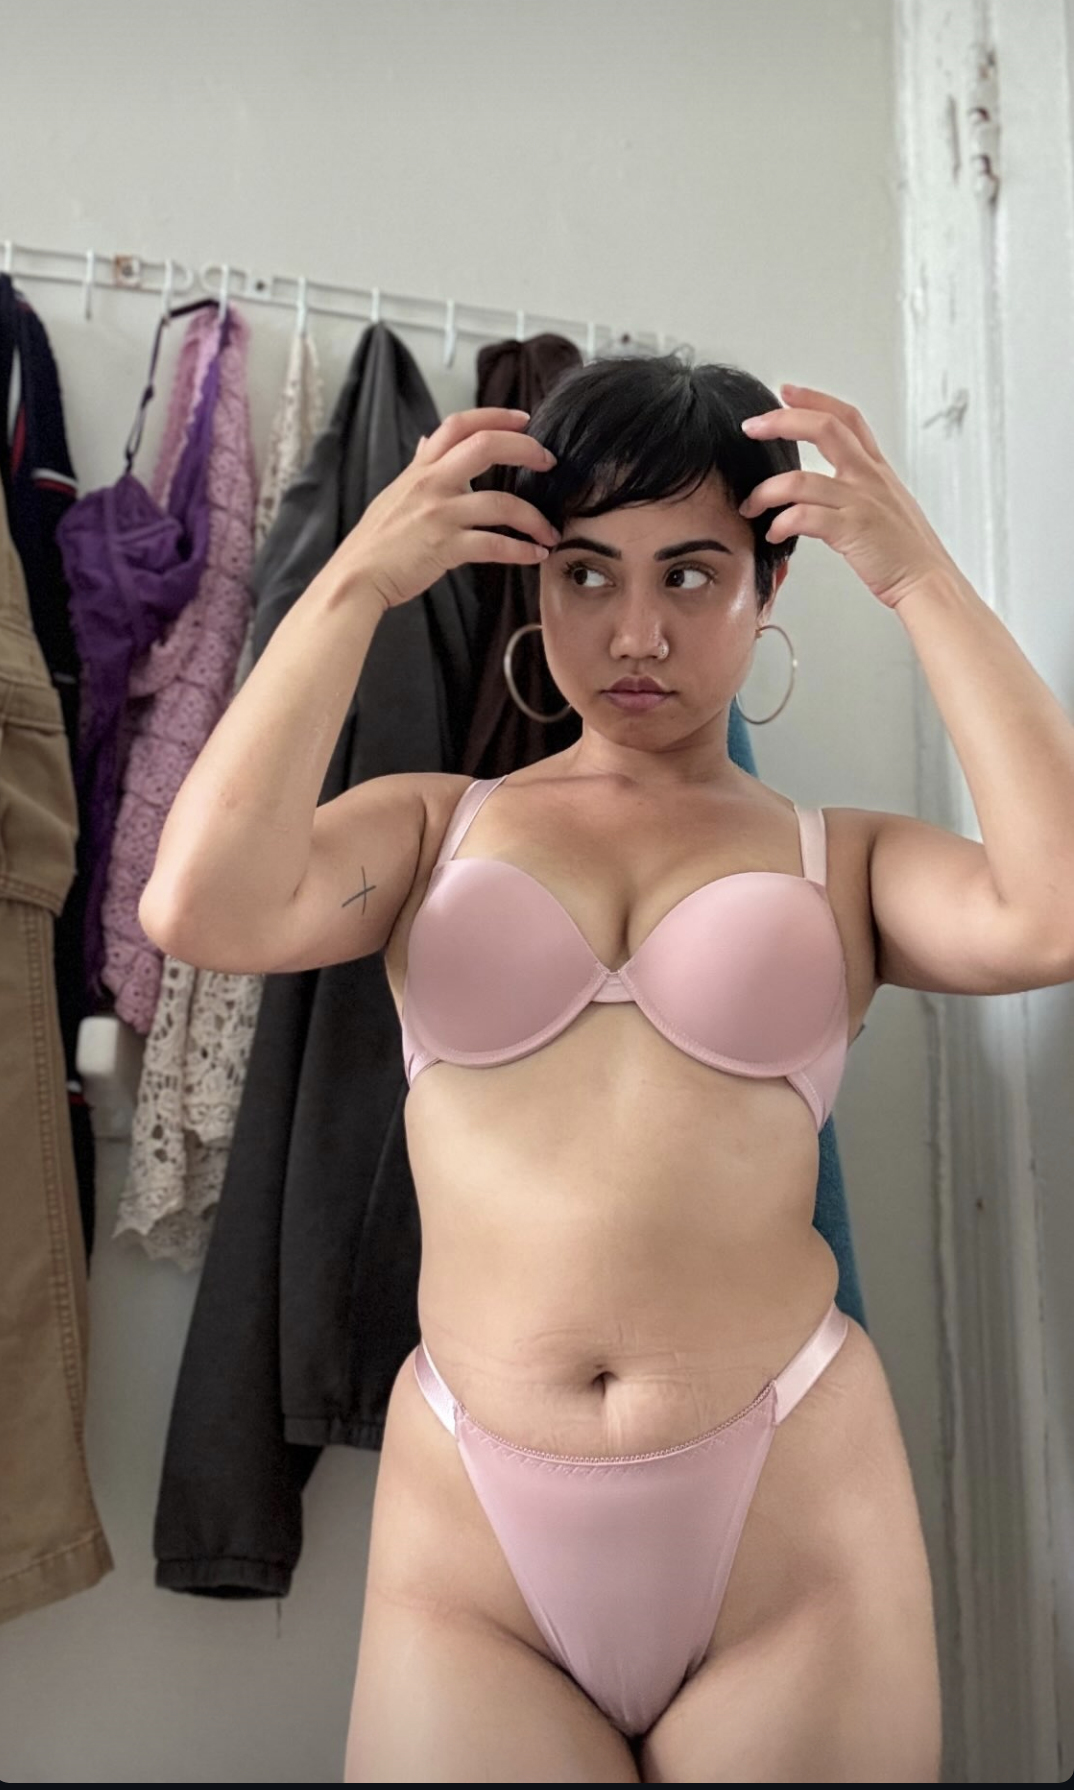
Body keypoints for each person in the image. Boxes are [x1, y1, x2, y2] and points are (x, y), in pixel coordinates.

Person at [141, 356, 1074, 1784]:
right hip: (476, 1537)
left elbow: (1054, 907)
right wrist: (355, 585)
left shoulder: (846, 861)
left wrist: (923, 580)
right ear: (533, 582)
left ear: (769, 586)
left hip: (789, 1515)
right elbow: (197, 905)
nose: (636, 631)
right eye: (586, 574)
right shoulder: (428, 830)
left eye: (692, 576)